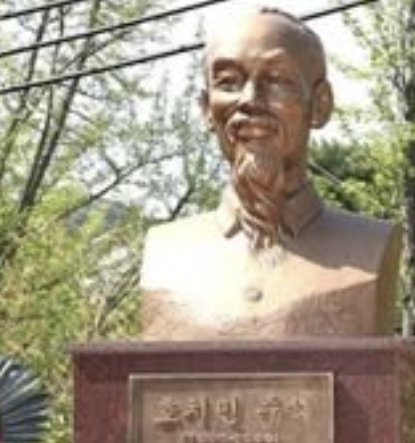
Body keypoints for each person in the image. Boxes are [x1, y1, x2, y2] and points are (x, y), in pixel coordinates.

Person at [141, 6, 400, 341]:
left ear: (320, 105)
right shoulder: (166, 254)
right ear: (206, 109)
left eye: (277, 80)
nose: (249, 100)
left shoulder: (369, 248)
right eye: (228, 82)